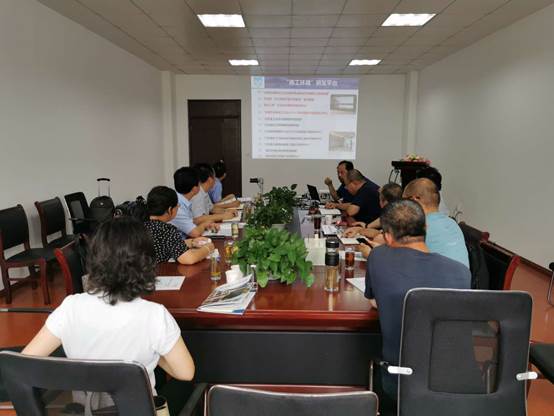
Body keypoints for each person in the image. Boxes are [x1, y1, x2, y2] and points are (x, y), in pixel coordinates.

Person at [22, 217, 195, 413]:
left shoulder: (70, 307)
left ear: (95, 259)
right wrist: (155, 353)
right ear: (146, 263)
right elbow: (186, 373)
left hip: (85, 411)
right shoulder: (155, 315)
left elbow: (25, 362)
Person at [364, 199, 470, 404]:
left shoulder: (378, 257)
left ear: (387, 236)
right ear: (426, 227)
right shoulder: (461, 271)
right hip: (456, 382)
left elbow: (373, 302)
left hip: (400, 382)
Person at [403, 178, 469, 268]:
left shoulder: (417, 227)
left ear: (415, 200)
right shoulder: (453, 224)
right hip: (463, 277)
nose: (403, 208)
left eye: (404, 202)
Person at [145, 186, 215, 264]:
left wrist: (192, 242)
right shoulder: (166, 229)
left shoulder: (142, 225)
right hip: (162, 270)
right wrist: (208, 248)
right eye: (177, 205)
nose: (178, 206)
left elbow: (169, 244)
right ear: (169, 210)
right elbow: (189, 259)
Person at [171, 166, 219, 238]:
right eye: (199, 183)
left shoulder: (182, 200)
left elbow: (191, 222)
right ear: (195, 189)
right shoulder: (177, 206)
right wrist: (205, 224)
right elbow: (195, 233)